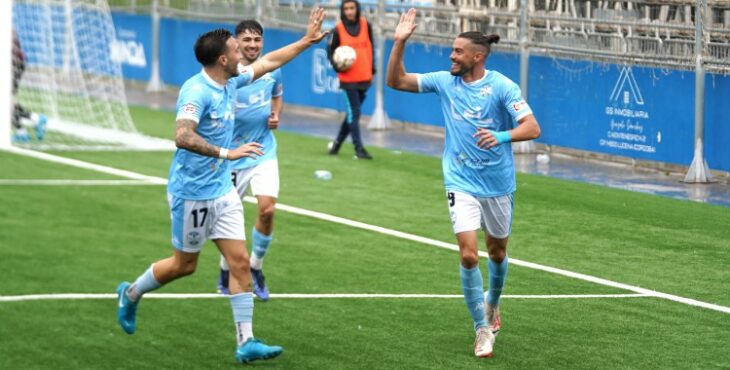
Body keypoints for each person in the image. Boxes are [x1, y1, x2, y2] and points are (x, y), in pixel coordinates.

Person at [115, 8, 328, 364]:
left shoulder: (232, 79)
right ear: (222, 58)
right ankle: (132, 293)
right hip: (192, 193)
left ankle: (245, 341)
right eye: (235, 46)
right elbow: (182, 136)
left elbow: (271, 61)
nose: (244, 52)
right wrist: (227, 153)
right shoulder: (197, 91)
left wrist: (307, 40)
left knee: (240, 262)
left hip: (221, 191)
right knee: (184, 266)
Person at [386, 9, 541, 358]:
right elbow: (396, 81)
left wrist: (501, 136)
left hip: (498, 184)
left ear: (477, 56)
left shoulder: (502, 86)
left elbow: (532, 128)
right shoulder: (444, 82)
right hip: (460, 181)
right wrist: (399, 42)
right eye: (451, 51)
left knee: (497, 252)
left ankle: (492, 304)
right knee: (470, 255)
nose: (451, 56)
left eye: (457, 51)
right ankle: (481, 329)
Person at [216, 20, 284, 301]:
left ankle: (255, 267)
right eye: (247, 40)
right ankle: (224, 269)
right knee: (229, 223)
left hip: (263, 152)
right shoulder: (226, 74)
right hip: (232, 157)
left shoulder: (272, 70)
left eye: (257, 40)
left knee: (267, 210)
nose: (253, 45)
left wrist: (276, 115)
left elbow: (277, 96)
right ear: (236, 42)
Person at [326, 0, 374, 160]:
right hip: (348, 80)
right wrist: (338, 67)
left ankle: (336, 144)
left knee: (352, 115)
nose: (349, 11)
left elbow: (371, 47)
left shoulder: (367, 25)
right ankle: (359, 149)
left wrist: (372, 69)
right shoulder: (338, 30)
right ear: (342, 10)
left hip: (364, 78)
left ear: (357, 9)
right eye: (346, 8)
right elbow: (330, 53)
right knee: (355, 112)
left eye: (352, 8)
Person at [11, 28, 47, 143]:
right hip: (13, 64)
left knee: (6, 103)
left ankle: (35, 120)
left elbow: (12, 46)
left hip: (14, 65)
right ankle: (23, 130)